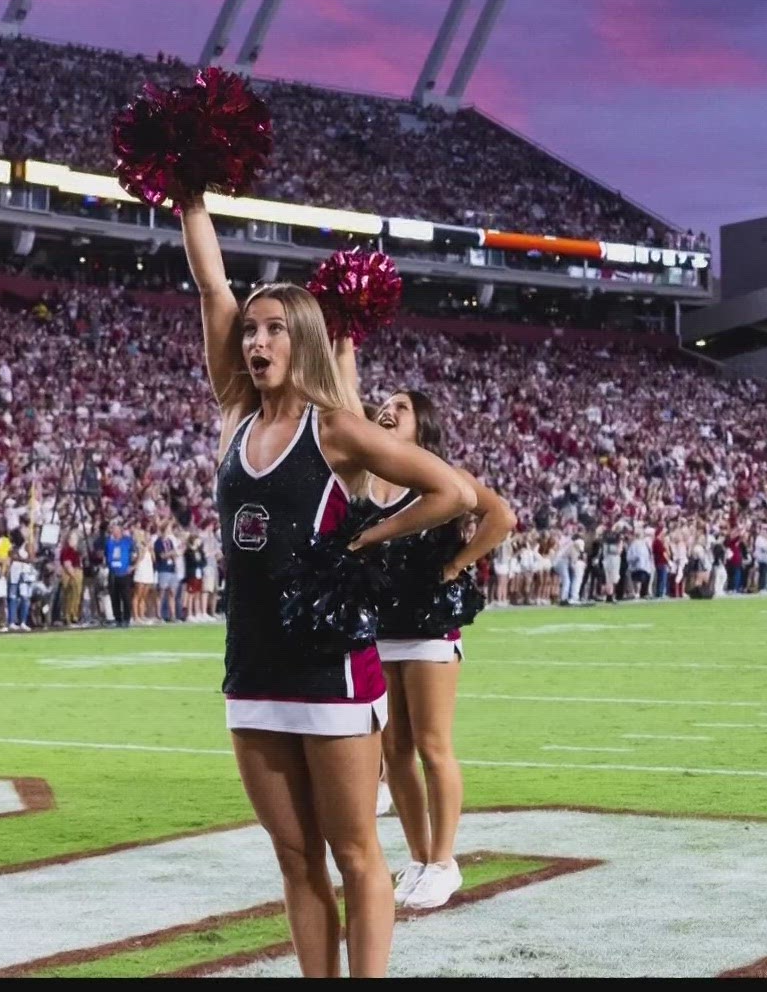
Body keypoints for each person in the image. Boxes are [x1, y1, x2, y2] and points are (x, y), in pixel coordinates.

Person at [184, 200, 472, 978]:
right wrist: (190, 199)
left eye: (274, 328)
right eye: (251, 330)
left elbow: (451, 493)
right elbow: (213, 289)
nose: (256, 340)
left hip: (333, 670)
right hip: (252, 670)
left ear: (302, 339)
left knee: (355, 852)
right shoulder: (235, 419)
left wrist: (366, 539)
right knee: (293, 856)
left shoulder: (336, 429)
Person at [337, 353, 516, 911]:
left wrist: (459, 564)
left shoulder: (443, 476)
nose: (388, 411)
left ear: (424, 423)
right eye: (385, 405)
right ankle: (418, 860)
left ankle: (445, 860)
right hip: (382, 624)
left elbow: (502, 517)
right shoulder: (369, 474)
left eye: (401, 408)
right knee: (396, 750)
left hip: (430, 628)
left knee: (434, 747)